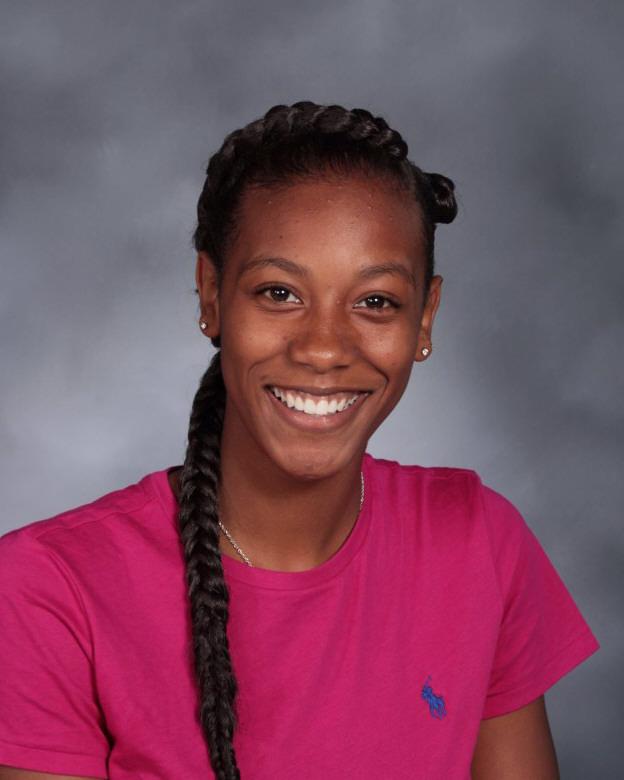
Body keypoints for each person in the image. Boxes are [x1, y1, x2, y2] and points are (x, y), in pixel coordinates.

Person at [0, 101, 599, 780]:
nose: (324, 348)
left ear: (425, 319)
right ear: (211, 295)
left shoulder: (479, 542)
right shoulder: (48, 591)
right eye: (280, 293)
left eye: (375, 301)